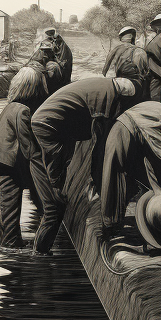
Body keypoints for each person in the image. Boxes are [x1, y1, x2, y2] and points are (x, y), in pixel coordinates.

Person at [30, 65, 143, 252]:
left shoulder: (104, 85)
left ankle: (42, 246)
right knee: (55, 196)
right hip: (48, 125)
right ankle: (40, 251)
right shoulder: (109, 97)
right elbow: (100, 144)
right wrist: (96, 180)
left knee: (58, 180)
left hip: (49, 122)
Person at [0, 66, 49, 249]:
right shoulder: (22, 111)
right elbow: (30, 151)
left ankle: (6, 255)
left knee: (2, 227)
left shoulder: (10, 107)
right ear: (33, 89)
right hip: (7, 172)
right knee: (11, 231)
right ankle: (13, 260)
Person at [99, 100, 161, 241]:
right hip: (126, 127)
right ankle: (111, 226)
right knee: (113, 177)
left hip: (138, 130)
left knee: (119, 176)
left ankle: (113, 225)